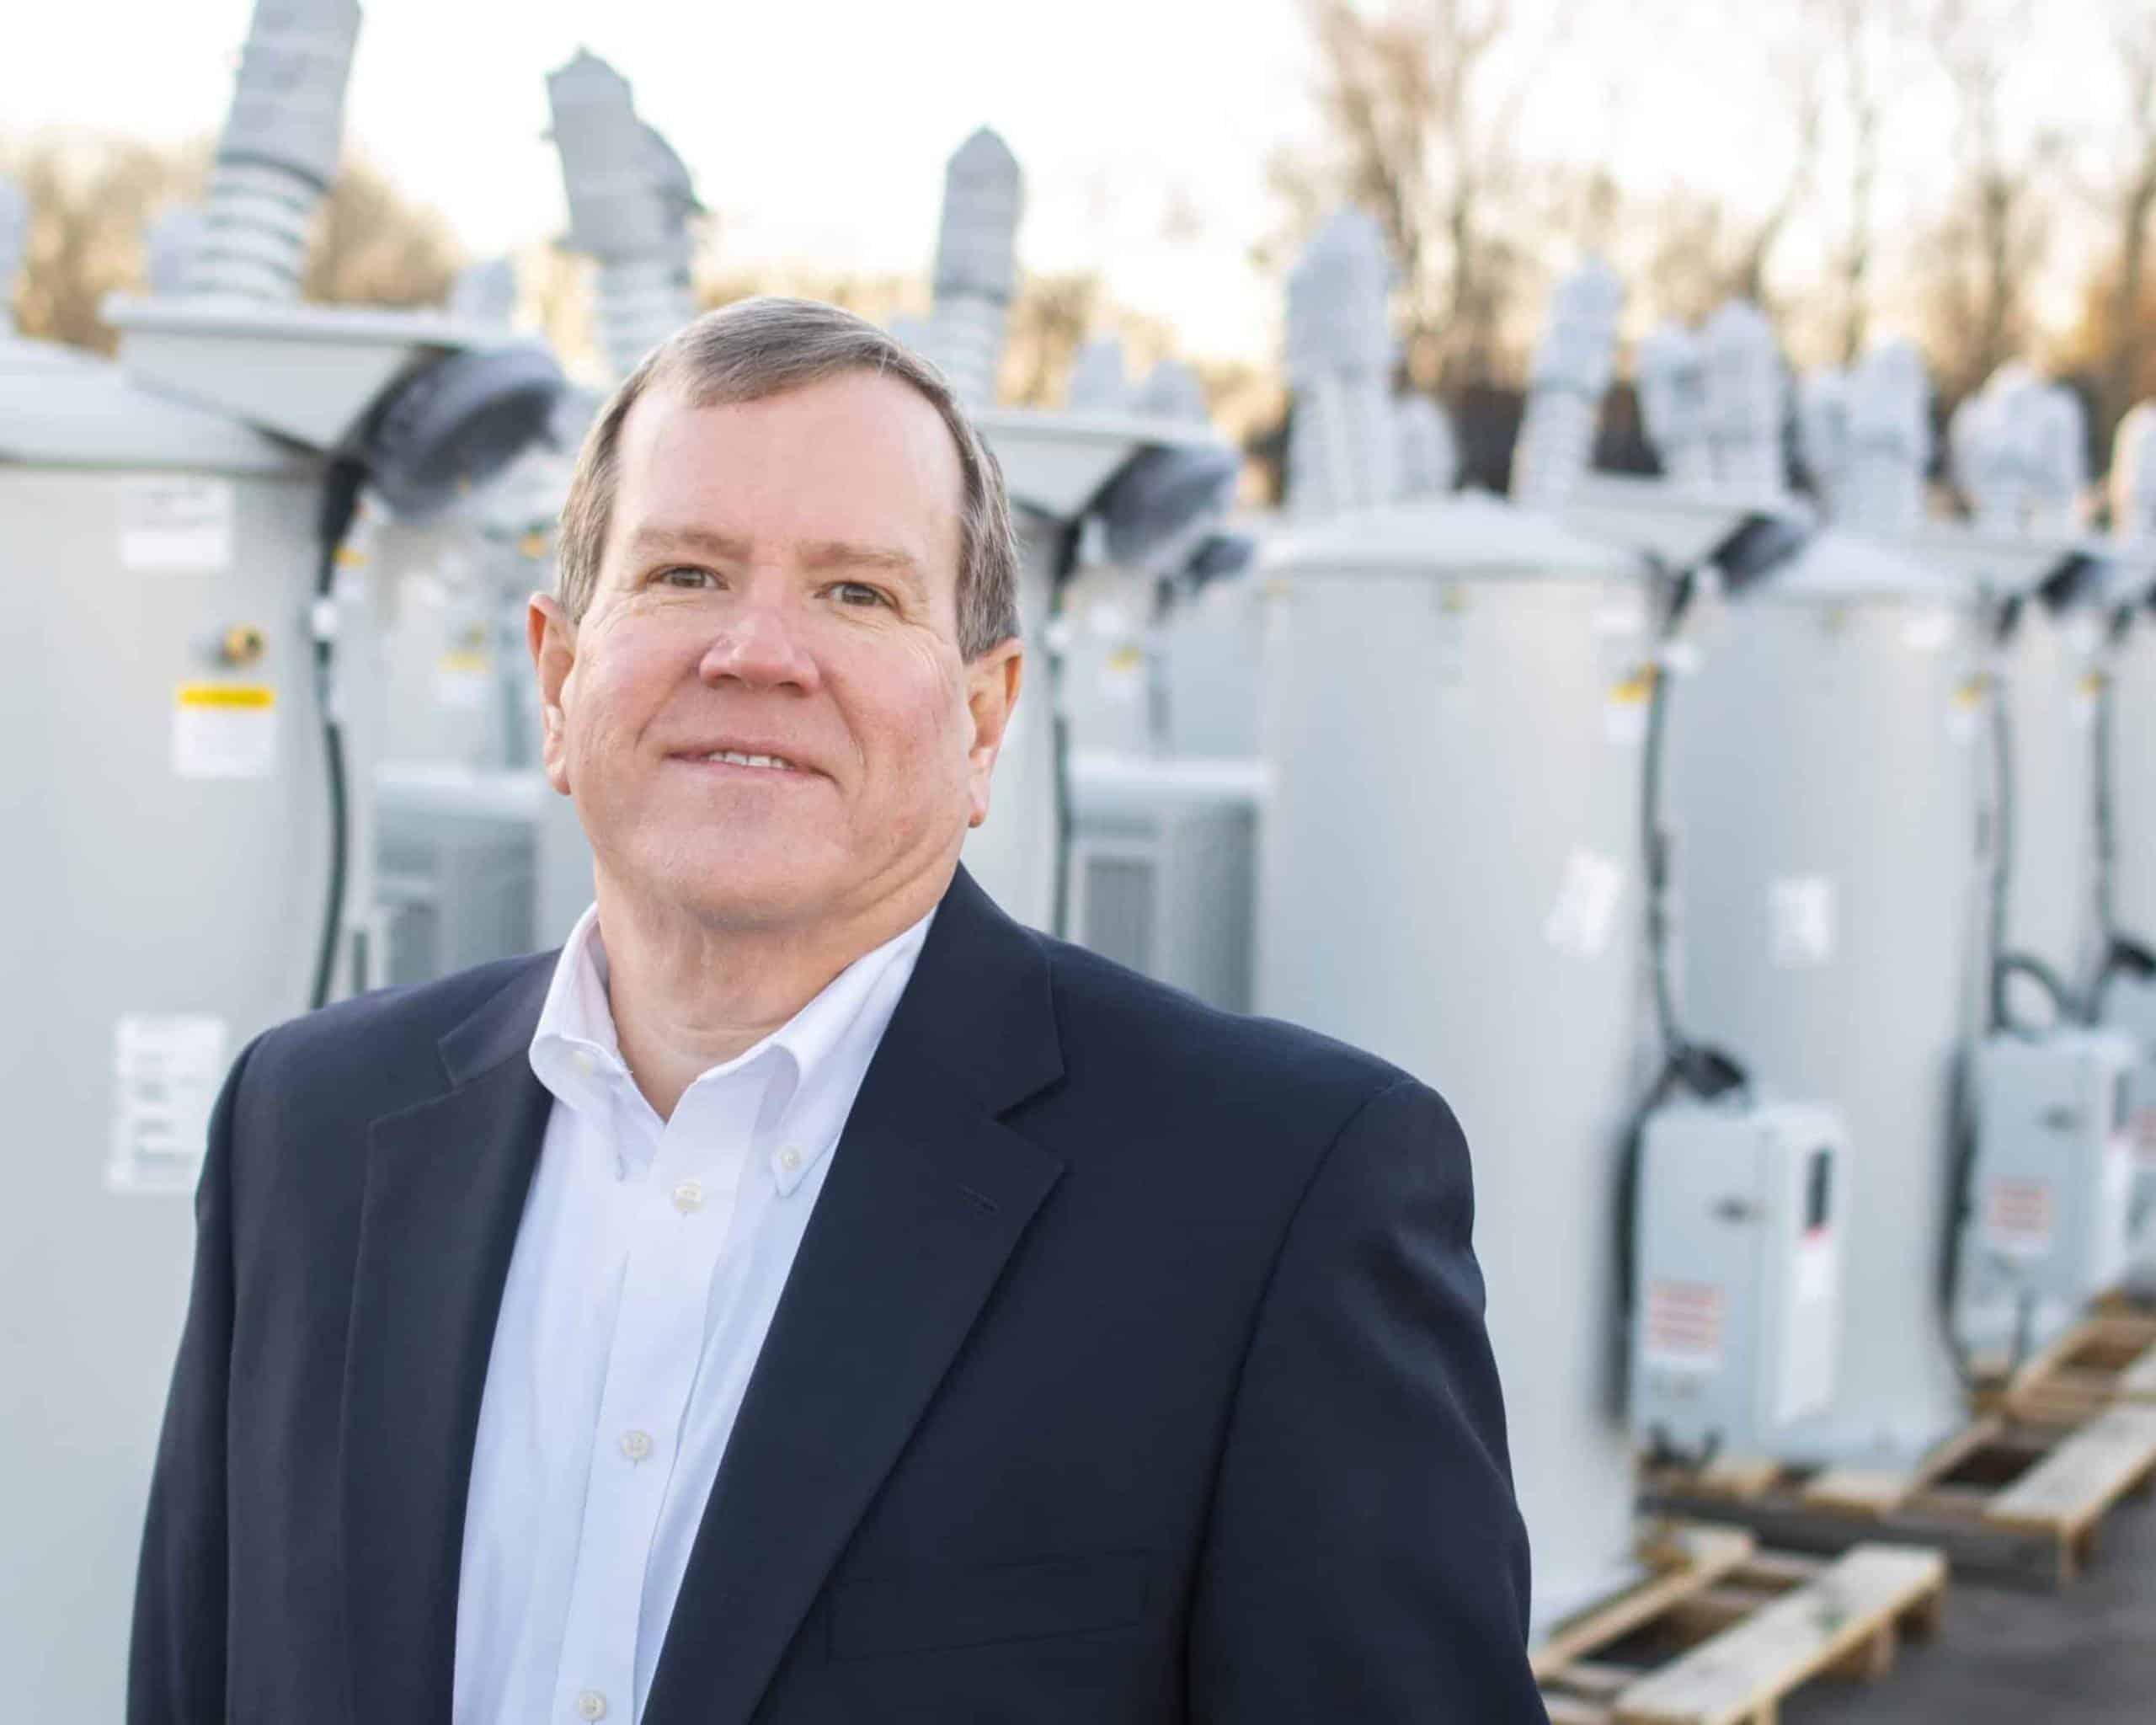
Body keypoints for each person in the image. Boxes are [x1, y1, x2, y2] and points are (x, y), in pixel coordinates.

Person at [130, 296, 1542, 1723]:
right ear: (557, 679)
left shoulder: (1270, 1198)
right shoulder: (308, 1134)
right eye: (684, 574)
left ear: (982, 722)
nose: (758, 651)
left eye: (857, 593)